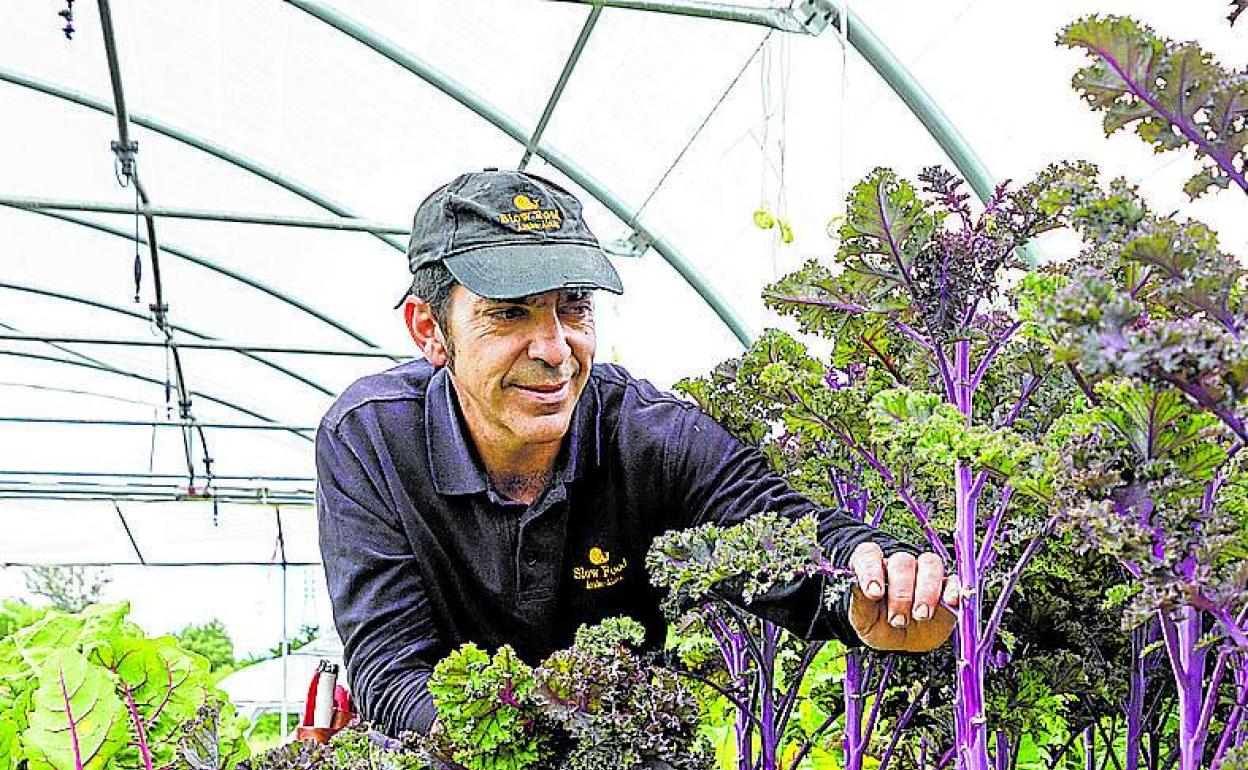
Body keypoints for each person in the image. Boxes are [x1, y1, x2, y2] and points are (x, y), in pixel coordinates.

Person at [316, 169, 960, 737]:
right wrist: (522, 745)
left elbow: (781, 530)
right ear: (430, 330)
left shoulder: (651, 437)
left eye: (573, 307)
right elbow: (392, 667)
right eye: (510, 313)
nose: (555, 349)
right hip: (455, 754)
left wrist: (874, 586)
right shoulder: (371, 441)